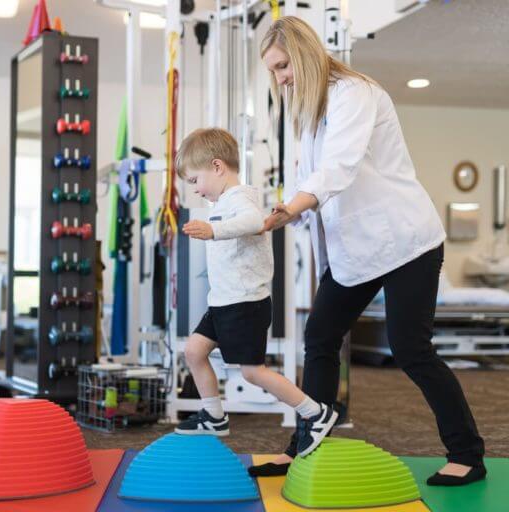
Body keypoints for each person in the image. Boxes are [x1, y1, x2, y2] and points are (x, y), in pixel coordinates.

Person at [248, 16, 486, 486]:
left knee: (411, 348)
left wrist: (292, 206)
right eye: (273, 72)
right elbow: (310, 184)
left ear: (303, 54)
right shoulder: (311, 112)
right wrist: (286, 215)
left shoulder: (354, 92)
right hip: (355, 251)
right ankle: (306, 444)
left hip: (405, 242)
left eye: (281, 67)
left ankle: (468, 455)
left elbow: (339, 168)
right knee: (319, 338)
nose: (279, 80)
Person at [173, 127, 338, 457]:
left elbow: (253, 222)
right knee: (193, 351)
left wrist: (213, 230)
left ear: (218, 167)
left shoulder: (241, 196)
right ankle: (214, 416)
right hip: (222, 302)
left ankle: (314, 412)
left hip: (245, 303)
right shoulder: (221, 201)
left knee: (252, 372)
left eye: (195, 180)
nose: (196, 190)